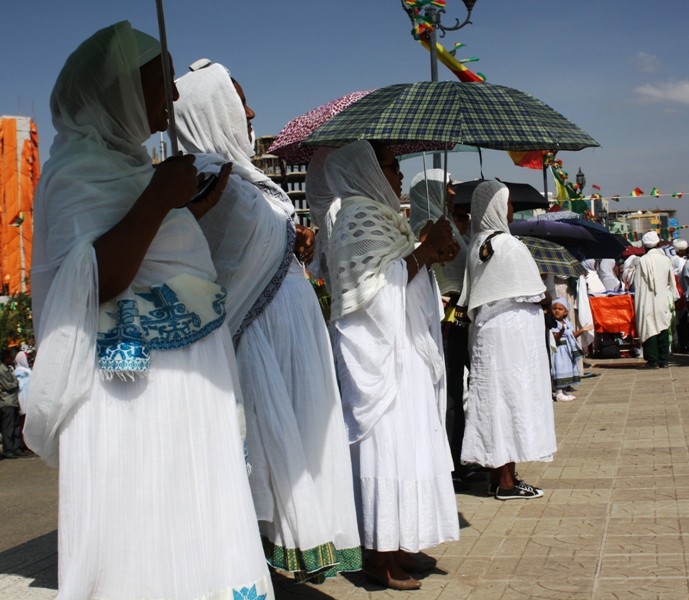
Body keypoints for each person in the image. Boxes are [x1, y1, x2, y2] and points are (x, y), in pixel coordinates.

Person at [23, 23, 273, 599]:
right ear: (116, 91)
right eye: (159, 81)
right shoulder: (76, 172)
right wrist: (159, 199)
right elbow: (96, 280)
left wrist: (184, 209)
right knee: (143, 502)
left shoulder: (136, 167)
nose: (175, 96)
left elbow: (153, 258)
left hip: (184, 381)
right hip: (126, 383)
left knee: (188, 500)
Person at [174, 62, 362, 583]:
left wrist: (289, 245)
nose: (252, 112)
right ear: (211, 112)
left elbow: (250, 247)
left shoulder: (240, 176)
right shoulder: (207, 180)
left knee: (300, 450)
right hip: (254, 343)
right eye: (238, 102)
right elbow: (214, 266)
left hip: (286, 337)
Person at [325, 140, 460, 591]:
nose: (398, 175)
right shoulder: (355, 220)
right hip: (378, 358)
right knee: (386, 449)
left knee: (412, 448)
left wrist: (431, 250)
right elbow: (374, 296)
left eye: (399, 166)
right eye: (390, 165)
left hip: (407, 352)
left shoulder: (387, 219)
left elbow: (405, 279)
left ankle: (401, 541)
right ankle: (376, 554)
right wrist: (422, 251)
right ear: (365, 170)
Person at [460, 180, 557, 500]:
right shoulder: (508, 245)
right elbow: (536, 293)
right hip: (513, 340)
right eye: (508, 203)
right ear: (495, 208)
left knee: (496, 403)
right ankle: (506, 482)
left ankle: (500, 476)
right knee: (513, 401)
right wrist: (543, 292)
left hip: (490, 337)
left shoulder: (479, 243)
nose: (512, 208)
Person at [409, 170, 476, 490]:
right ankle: (448, 465)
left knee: (459, 394)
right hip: (445, 324)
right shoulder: (427, 229)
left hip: (460, 321)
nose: (452, 193)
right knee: (449, 397)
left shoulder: (447, 224)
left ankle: (459, 458)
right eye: (447, 187)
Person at [634, 231, 678, 368]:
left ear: (644, 246)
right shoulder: (665, 260)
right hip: (662, 299)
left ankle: (652, 360)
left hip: (646, 299)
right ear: (658, 244)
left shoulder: (643, 261)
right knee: (663, 325)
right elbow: (672, 282)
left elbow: (638, 284)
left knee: (649, 326)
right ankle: (664, 360)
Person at [550, 298, 592, 402]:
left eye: (560, 309)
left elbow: (571, 335)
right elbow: (555, 337)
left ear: (566, 312)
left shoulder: (566, 322)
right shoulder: (553, 323)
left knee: (566, 369)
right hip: (558, 350)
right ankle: (559, 393)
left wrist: (582, 330)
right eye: (554, 308)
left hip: (567, 349)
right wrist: (562, 330)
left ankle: (564, 391)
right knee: (559, 369)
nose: (557, 311)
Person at [0, 348, 22, 459]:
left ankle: (16, 447)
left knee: (15, 426)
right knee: (8, 427)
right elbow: (9, 385)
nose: (12, 359)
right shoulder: (2, 370)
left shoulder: (8, 369)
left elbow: (15, 382)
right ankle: (8, 449)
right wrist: (13, 384)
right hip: (7, 401)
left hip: (13, 400)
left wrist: (13, 384)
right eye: (10, 357)